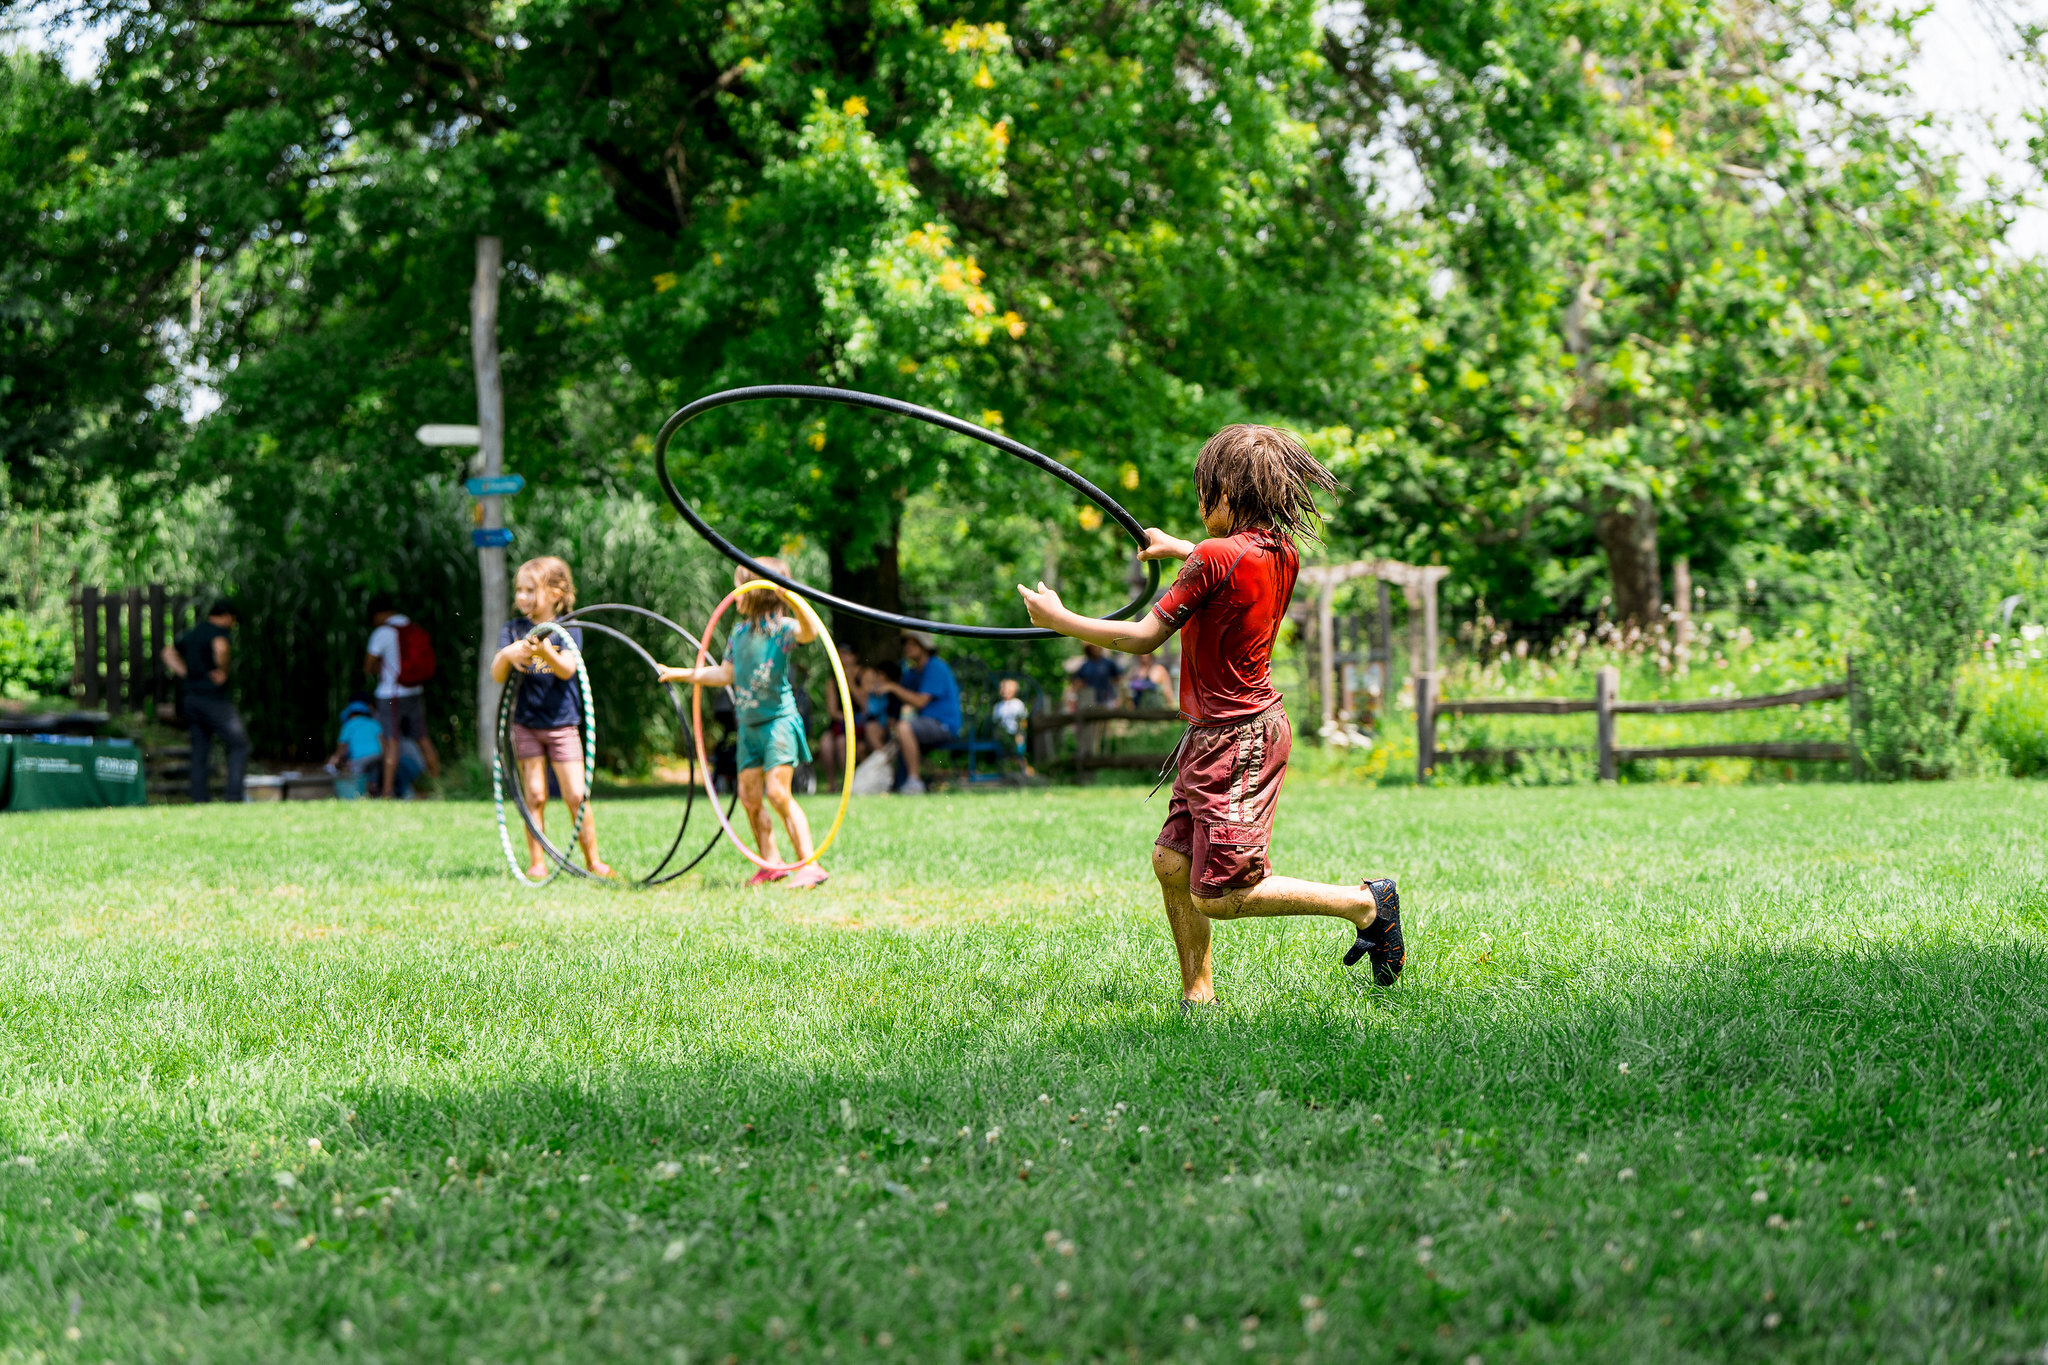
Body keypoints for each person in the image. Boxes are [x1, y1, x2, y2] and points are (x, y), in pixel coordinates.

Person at [1016, 424, 1405, 1005]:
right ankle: (1198, 995)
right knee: (1172, 863)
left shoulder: (1213, 557)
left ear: (1228, 493)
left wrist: (1061, 620)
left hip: (1237, 740)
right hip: (1221, 732)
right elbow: (1228, 561)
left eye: (1205, 492)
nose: (1200, 505)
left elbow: (1143, 638)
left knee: (1221, 895)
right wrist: (1181, 548)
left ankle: (1366, 903)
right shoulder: (1280, 552)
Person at [659, 558, 831, 888]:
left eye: (740, 586)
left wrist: (791, 596)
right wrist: (680, 673)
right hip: (748, 726)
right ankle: (772, 863)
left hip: (778, 723)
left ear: (759, 591)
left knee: (778, 794)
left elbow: (809, 631)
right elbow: (725, 674)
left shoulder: (783, 630)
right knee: (750, 798)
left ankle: (810, 865)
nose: (735, 593)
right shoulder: (738, 633)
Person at [490, 557, 612, 880]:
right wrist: (507, 654)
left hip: (562, 725)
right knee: (535, 795)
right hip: (526, 725)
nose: (522, 596)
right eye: (519, 590)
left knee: (576, 796)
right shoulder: (513, 630)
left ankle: (593, 861)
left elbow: (568, 669)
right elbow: (497, 675)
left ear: (556, 593)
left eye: (531, 590)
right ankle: (537, 863)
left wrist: (545, 652)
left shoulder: (568, 629)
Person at [160, 597, 248, 803]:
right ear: (226, 616)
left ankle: (199, 799)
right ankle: (234, 796)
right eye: (233, 619)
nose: (233, 624)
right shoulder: (218, 633)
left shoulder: (194, 632)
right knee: (239, 744)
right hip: (212, 698)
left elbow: (167, 652)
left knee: (199, 749)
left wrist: (186, 673)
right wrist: (222, 671)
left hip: (190, 698)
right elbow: (221, 648)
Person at [363, 598, 442, 799]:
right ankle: (438, 786)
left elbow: (368, 665)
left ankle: (387, 792)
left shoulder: (383, 632)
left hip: (391, 695)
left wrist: (379, 668)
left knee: (392, 742)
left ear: (379, 615)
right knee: (423, 739)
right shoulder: (413, 628)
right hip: (415, 691)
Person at [868, 630, 961, 795]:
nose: (907, 648)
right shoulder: (912, 672)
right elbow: (902, 699)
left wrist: (892, 687)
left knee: (904, 728)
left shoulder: (935, 667)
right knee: (894, 730)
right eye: (906, 644)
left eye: (913, 644)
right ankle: (894, 782)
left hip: (944, 725)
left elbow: (919, 701)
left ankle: (914, 781)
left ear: (925, 647)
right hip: (923, 723)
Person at [817, 642, 863, 789]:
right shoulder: (832, 681)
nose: (843, 658)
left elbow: (865, 704)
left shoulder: (865, 674)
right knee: (825, 743)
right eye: (840, 654)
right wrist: (846, 719)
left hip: (862, 723)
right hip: (840, 723)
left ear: (855, 656)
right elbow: (832, 711)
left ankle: (849, 783)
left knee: (842, 742)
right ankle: (832, 784)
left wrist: (850, 682)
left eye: (846, 654)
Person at [324, 695, 384, 796]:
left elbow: (342, 745)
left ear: (350, 714)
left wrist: (337, 757)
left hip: (360, 757)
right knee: (374, 773)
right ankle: (374, 790)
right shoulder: (374, 723)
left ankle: (358, 794)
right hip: (377, 754)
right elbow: (382, 741)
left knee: (357, 776)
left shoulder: (349, 724)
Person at [992, 675, 1035, 777]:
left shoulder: (1018, 704)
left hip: (1016, 733)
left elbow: (1023, 721)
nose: (1004, 691)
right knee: (1004, 754)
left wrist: (1021, 734)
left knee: (1018, 753)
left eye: (1007, 688)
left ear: (1014, 690)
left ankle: (1024, 770)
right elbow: (996, 722)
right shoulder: (998, 706)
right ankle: (1006, 772)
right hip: (1003, 734)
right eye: (1002, 688)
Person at [1069, 643, 1124, 707]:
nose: (1096, 648)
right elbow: (1077, 682)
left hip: (1108, 699)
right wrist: (1073, 697)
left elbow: (1119, 679)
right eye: (1093, 646)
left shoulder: (1109, 663)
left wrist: (1119, 696)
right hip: (1090, 700)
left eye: (1097, 646)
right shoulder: (1085, 666)